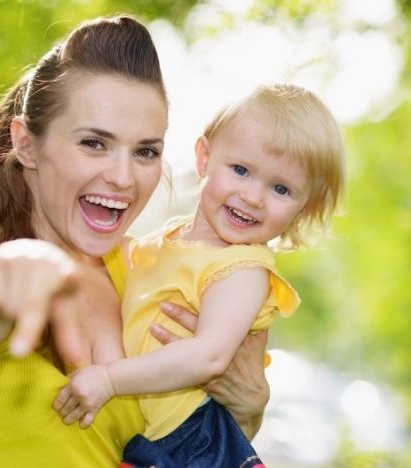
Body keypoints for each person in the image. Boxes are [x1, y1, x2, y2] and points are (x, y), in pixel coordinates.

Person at [0, 15, 270, 467]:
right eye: (94, 143)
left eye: (145, 151)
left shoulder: (142, 269)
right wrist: (3, 278)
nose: (122, 177)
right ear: (27, 144)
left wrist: (246, 411)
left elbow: (185, 443)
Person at [53, 83, 346, 467]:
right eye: (241, 170)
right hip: (160, 436)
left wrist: (109, 379)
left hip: (197, 439)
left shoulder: (242, 270)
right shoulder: (167, 241)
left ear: (303, 209)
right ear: (204, 157)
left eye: (280, 188)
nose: (253, 196)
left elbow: (208, 357)